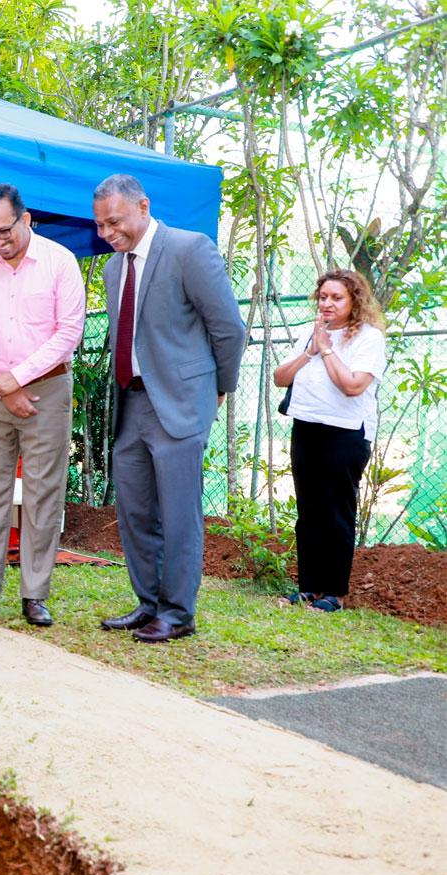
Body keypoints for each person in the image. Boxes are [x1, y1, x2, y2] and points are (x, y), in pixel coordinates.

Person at [93, 173, 245, 642]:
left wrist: (220, 388)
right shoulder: (113, 268)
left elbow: (229, 329)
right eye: (99, 225)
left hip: (180, 403)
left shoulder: (189, 249)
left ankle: (178, 612)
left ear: (143, 207)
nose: (106, 233)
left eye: (113, 221)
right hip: (132, 402)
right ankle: (148, 602)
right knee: (135, 510)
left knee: (179, 513)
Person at [0, 183, 86, 627]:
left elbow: (68, 332)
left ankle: (35, 594)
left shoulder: (59, 262)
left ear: (26, 218)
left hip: (47, 390)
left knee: (42, 493)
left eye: (5, 230)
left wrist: (20, 377)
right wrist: (1, 383)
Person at [273, 269, 386, 612]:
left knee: (336, 512)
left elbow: (353, 385)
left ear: (354, 301)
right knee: (309, 511)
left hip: (346, 432)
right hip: (307, 428)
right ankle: (308, 587)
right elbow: (280, 378)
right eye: (323, 297)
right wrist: (310, 350)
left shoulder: (368, 338)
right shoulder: (312, 334)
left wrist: (326, 351)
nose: (328, 303)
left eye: (337, 297)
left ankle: (334, 593)